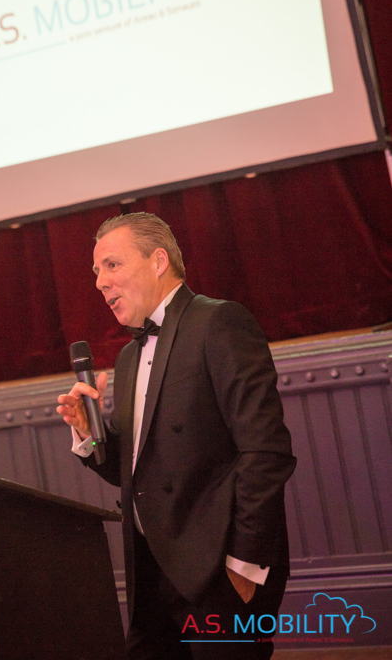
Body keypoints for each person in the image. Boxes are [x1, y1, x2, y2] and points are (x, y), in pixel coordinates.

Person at [57, 212, 296, 659]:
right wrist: (89, 435)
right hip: (151, 576)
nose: (100, 283)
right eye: (96, 272)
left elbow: (266, 451)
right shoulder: (128, 358)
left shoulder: (218, 322)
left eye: (112, 265)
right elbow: (134, 473)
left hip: (218, 573)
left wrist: (244, 564)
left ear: (158, 260)